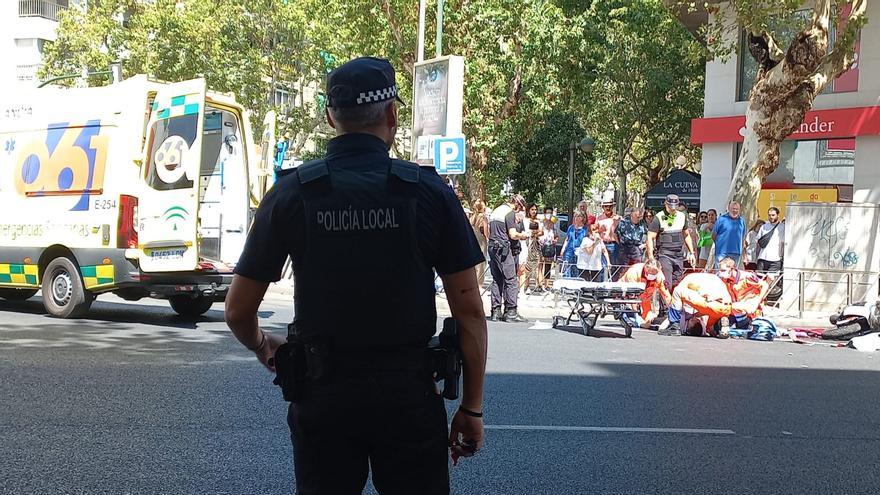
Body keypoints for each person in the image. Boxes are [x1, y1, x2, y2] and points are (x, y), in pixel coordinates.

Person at [224, 57, 487, 494]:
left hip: (323, 398)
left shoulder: (292, 193)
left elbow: (237, 310)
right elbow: (470, 311)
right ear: (392, 115)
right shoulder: (427, 192)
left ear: (330, 117)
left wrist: (261, 345)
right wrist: (471, 409)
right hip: (408, 397)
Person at [488, 193, 530, 322]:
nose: (520, 210)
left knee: (497, 279)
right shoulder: (509, 213)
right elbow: (512, 234)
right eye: (520, 207)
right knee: (511, 279)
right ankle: (511, 311)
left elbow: (488, 230)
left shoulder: (496, 211)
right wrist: (524, 235)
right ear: (517, 204)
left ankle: (496, 312)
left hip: (492, 246)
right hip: (504, 249)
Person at [658, 271, 733, 337]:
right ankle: (720, 326)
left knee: (677, 291)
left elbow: (676, 298)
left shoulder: (688, 279)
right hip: (727, 308)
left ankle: (673, 326)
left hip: (713, 303)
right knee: (708, 328)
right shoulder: (712, 278)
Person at [646, 194, 697, 290]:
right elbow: (650, 238)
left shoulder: (682, 216)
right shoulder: (658, 217)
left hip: (678, 254)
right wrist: (651, 258)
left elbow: (686, 235)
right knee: (667, 284)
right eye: (670, 207)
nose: (672, 209)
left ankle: (674, 304)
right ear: (666, 204)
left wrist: (691, 253)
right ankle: (664, 305)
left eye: (675, 207)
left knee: (677, 284)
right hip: (664, 254)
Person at [716, 257, 772, 337]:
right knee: (717, 324)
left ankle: (745, 323)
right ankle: (734, 325)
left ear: (732, 269)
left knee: (733, 307)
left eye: (723, 270)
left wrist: (757, 301)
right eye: (720, 270)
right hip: (735, 308)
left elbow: (765, 285)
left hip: (750, 306)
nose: (721, 273)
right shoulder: (725, 279)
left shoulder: (746, 276)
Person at [619, 260, 672, 329]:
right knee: (633, 319)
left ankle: (641, 320)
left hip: (645, 298)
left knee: (647, 321)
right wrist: (635, 313)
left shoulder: (659, 276)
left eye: (656, 273)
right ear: (646, 268)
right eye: (652, 272)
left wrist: (673, 311)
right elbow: (632, 295)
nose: (654, 274)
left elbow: (666, 295)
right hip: (625, 294)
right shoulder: (634, 272)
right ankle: (630, 316)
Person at [519, 204, 544, 292]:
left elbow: (541, 232)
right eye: (532, 209)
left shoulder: (538, 221)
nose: (534, 211)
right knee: (525, 264)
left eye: (535, 209)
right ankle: (525, 284)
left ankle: (535, 284)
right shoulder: (524, 220)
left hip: (534, 244)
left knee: (534, 264)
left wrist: (535, 233)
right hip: (526, 243)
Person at [712, 201, 746, 267]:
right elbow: (713, 235)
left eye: (736, 209)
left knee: (733, 275)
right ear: (729, 208)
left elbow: (743, 238)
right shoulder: (721, 219)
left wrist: (744, 254)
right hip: (722, 253)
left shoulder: (742, 221)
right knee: (720, 273)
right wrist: (720, 245)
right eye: (733, 209)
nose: (735, 211)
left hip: (736, 253)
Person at [755, 207, 785, 275]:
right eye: (769, 215)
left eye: (773, 215)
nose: (771, 217)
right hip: (762, 258)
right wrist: (756, 257)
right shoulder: (764, 227)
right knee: (760, 281)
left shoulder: (783, 227)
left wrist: (782, 258)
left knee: (771, 280)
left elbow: (783, 244)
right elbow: (758, 243)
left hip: (775, 259)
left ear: (778, 215)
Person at [596, 200, 621, 279]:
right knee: (602, 266)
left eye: (610, 206)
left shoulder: (618, 218)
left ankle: (613, 284)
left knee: (613, 265)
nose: (608, 208)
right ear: (603, 207)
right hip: (602, 244)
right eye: (606, 206)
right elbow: (594, 231)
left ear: (612, 207)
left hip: (614, 244)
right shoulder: (599, 218)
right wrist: (600, 230)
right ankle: (603, 284)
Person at [559, 212, 588, 278]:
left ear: (583, 218)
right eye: (575, 216)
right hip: (569, 250)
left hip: (580, 251)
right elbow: (567, 239)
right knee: (567, 268)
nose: (577, 218)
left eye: (579, 216)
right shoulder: (571, 228)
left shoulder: (585, 229)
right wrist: (563, 249)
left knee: (577, 269)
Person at [537, 208, 558, 292]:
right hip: (541, 247)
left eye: (550, 213)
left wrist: (555, 240)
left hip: (550, 247)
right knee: (540, 265)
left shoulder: (554, 224)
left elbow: (556, 235)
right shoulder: (541, 223)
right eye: (547, 213)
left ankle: (547, 284)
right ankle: (539, 284)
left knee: (548, 266)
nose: (549, 214)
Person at [469, 199, 489, 284]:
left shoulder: (472, 217)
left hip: (473, 239)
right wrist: (489, 238)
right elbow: (486, 231)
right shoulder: (483, 217)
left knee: (474, 262)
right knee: (481, 263)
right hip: (481, 239)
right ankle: (479, 283)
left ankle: (472, 281)